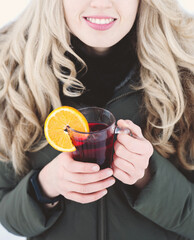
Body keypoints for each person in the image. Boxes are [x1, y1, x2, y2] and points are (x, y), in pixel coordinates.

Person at [0, 0, 194, 239]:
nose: (101, 3)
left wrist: (148, 176)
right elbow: (6, 213)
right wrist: (44, 187)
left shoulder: (188, 68)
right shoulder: (9, 70)